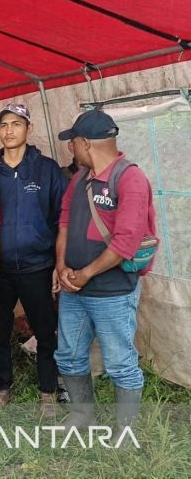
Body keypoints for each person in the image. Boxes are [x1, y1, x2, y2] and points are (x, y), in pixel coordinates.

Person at [53, 110, 156, 434]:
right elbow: (65, 223)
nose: (71, 149)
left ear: (85, 143)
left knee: (120, 364)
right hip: (75, 290)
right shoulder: (79, 180)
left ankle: (126, 429)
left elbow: (126, 242)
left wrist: (85, 273)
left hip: (113, 293)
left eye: (73, 143)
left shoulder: (130, 179)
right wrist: (61, 266)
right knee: (68, 355)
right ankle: (83, 415)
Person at [0, 104, 66, 417]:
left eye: (17, 124)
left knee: (45, 330)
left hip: (37, 265)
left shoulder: (47, 169)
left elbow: (62, 220)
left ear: (28, 128)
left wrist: (58, 263)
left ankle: (48, 391)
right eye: (4, 125)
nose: (10, 130)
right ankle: (2, 388)